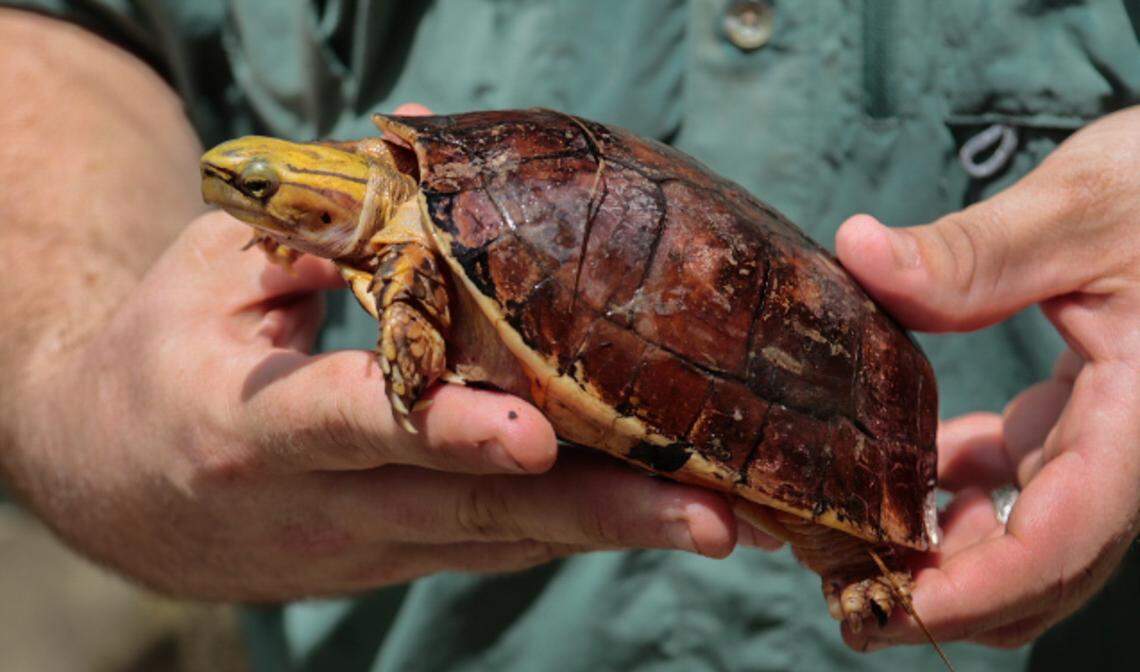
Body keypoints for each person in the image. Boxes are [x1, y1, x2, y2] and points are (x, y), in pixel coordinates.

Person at [0, 1, 1136, 670]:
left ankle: (857, 549)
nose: (234, 192)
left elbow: (418, 286)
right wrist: (72, 380)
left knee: (849, 548)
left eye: (256, 189)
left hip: (1010, 509)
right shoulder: (401, 210)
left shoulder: (412, 250)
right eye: (246, 191)